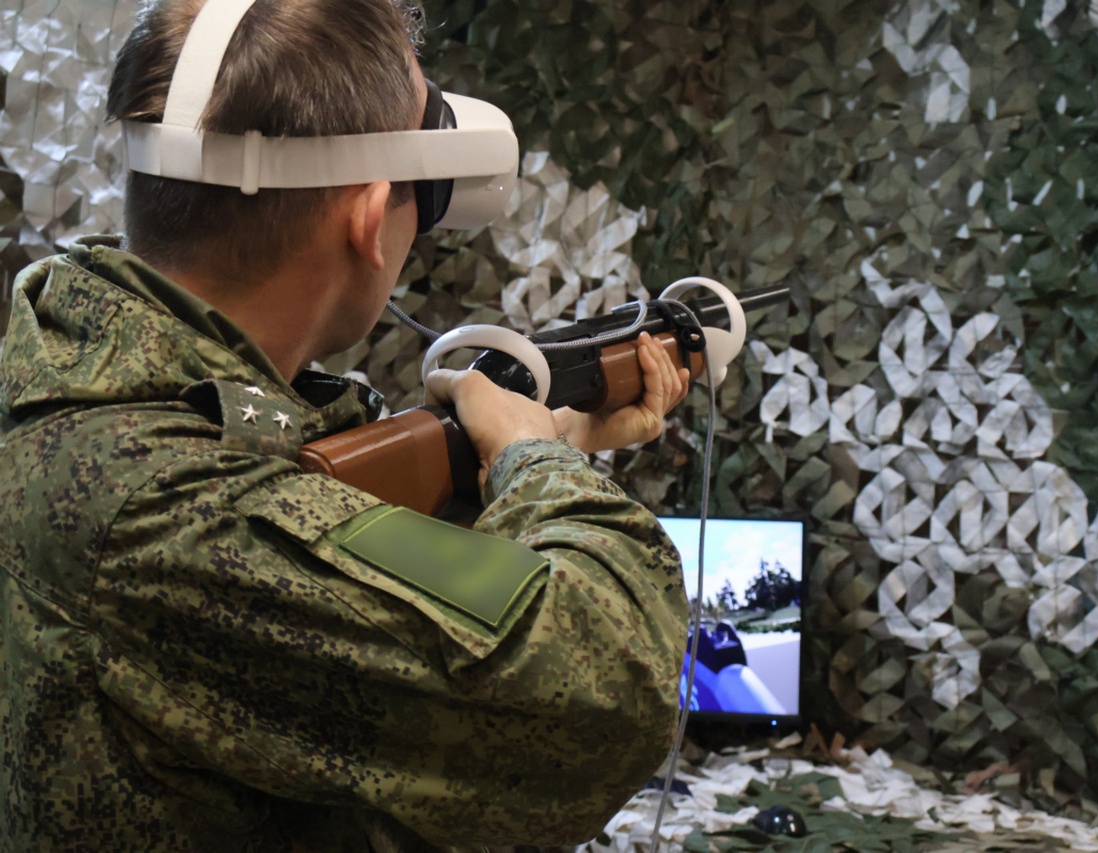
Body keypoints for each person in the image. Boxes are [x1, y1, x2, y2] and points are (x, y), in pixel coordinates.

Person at [0, 0, 692, 850]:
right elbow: (612, 682)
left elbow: (339, 547)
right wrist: (536, 461)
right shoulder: (169, 510)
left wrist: (548, 446)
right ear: (370, 219)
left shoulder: (83, 389)